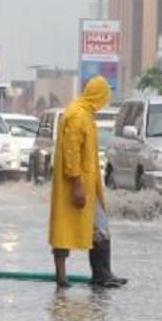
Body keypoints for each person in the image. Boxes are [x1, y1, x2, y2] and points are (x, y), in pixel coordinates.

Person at [48, 76, 128, 289]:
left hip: (86, 184)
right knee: (94, 228)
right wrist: (77, 185)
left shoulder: (83, 113)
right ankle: (99, 275)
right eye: (105, 96)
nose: (106, 100)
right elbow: (71, 153)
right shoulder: (78, 116)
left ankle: (97, 274)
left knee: (76, 228)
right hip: (77, 184)